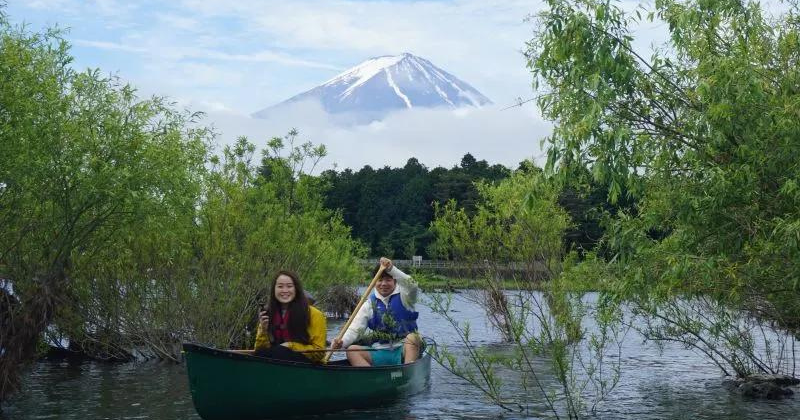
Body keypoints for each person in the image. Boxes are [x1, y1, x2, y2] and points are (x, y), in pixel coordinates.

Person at [332, 257, 422, 366]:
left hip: (404, 349)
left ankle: (407, 373)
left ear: (395, 281)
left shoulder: (406, 297)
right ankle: (371, 378)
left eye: (388, 280)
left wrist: (391, 269)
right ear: (375, 282)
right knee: (351, 350)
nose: (383, 284)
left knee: (413, 338)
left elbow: (412, 285)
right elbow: (355, 330)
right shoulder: (369, 304)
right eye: (380, 280)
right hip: (380, 351)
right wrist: (342, 342)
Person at [253, 270, 327, 363]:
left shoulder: (315, 314)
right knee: (261, 354)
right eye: (280, 286)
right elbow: (260, 350)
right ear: (274, 289)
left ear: (296, 289)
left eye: (289, 286)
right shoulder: (268, 313)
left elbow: (319, 352)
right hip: (276, 362)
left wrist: (290, 346)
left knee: (281, 351)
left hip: (306, 365)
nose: (285, 291)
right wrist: (263, 331)